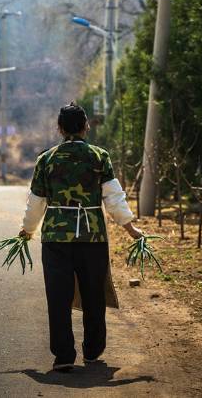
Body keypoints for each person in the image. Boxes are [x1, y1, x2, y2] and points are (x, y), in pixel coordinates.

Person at [19, 102, 143, 372]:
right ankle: (93, 350)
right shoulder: (99, 156)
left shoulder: (47, 159)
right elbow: (113, 197)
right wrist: (131, 229)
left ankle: (63, 355)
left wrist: (27, 230)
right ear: (86, 126)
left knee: (58, 296)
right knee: (93, 295)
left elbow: (36, 201)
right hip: (92, 237)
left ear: (60, 128)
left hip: (55, 238)